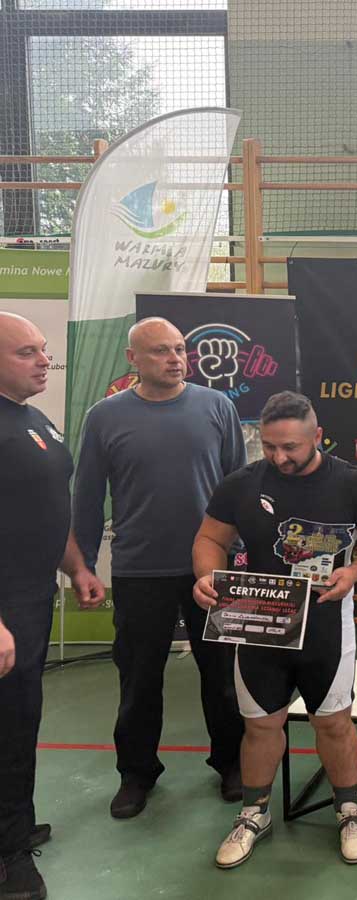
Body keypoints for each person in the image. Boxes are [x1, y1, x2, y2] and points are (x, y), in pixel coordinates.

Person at [192, 391, 357, 869]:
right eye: (269, 446)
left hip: (326, 621)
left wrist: (355, 571)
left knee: (333, 722)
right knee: (261, 725)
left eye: (290, 447)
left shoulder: (354, 481)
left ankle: (349, 810)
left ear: (317, 436)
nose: (278, 457)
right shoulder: (241, 484)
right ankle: (254, 813)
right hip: (258, 620)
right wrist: (207, 575)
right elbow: (209, 538)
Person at [73, 317, 246, 819]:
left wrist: (242, 557)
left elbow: (239, 487)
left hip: (211, 570)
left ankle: (232, 762)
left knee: (221, 675)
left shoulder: (218, 406)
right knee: (139, 678)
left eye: (180, 349)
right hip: (139, 570)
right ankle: (136, 773)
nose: (175, 359)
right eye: (161, 351)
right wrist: (84, 566)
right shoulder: (104, 417)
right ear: (133, 359)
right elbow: (88, 497)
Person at [0, 312, 104, 900]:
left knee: (20, 721)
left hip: (34, 597)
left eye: (43, 349)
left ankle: (13, 824)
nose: (44, 361)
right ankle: (8, 856)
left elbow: (47, 505)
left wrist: (78, 566)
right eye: (26, 352)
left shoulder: (34, 419)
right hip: (3, 607)